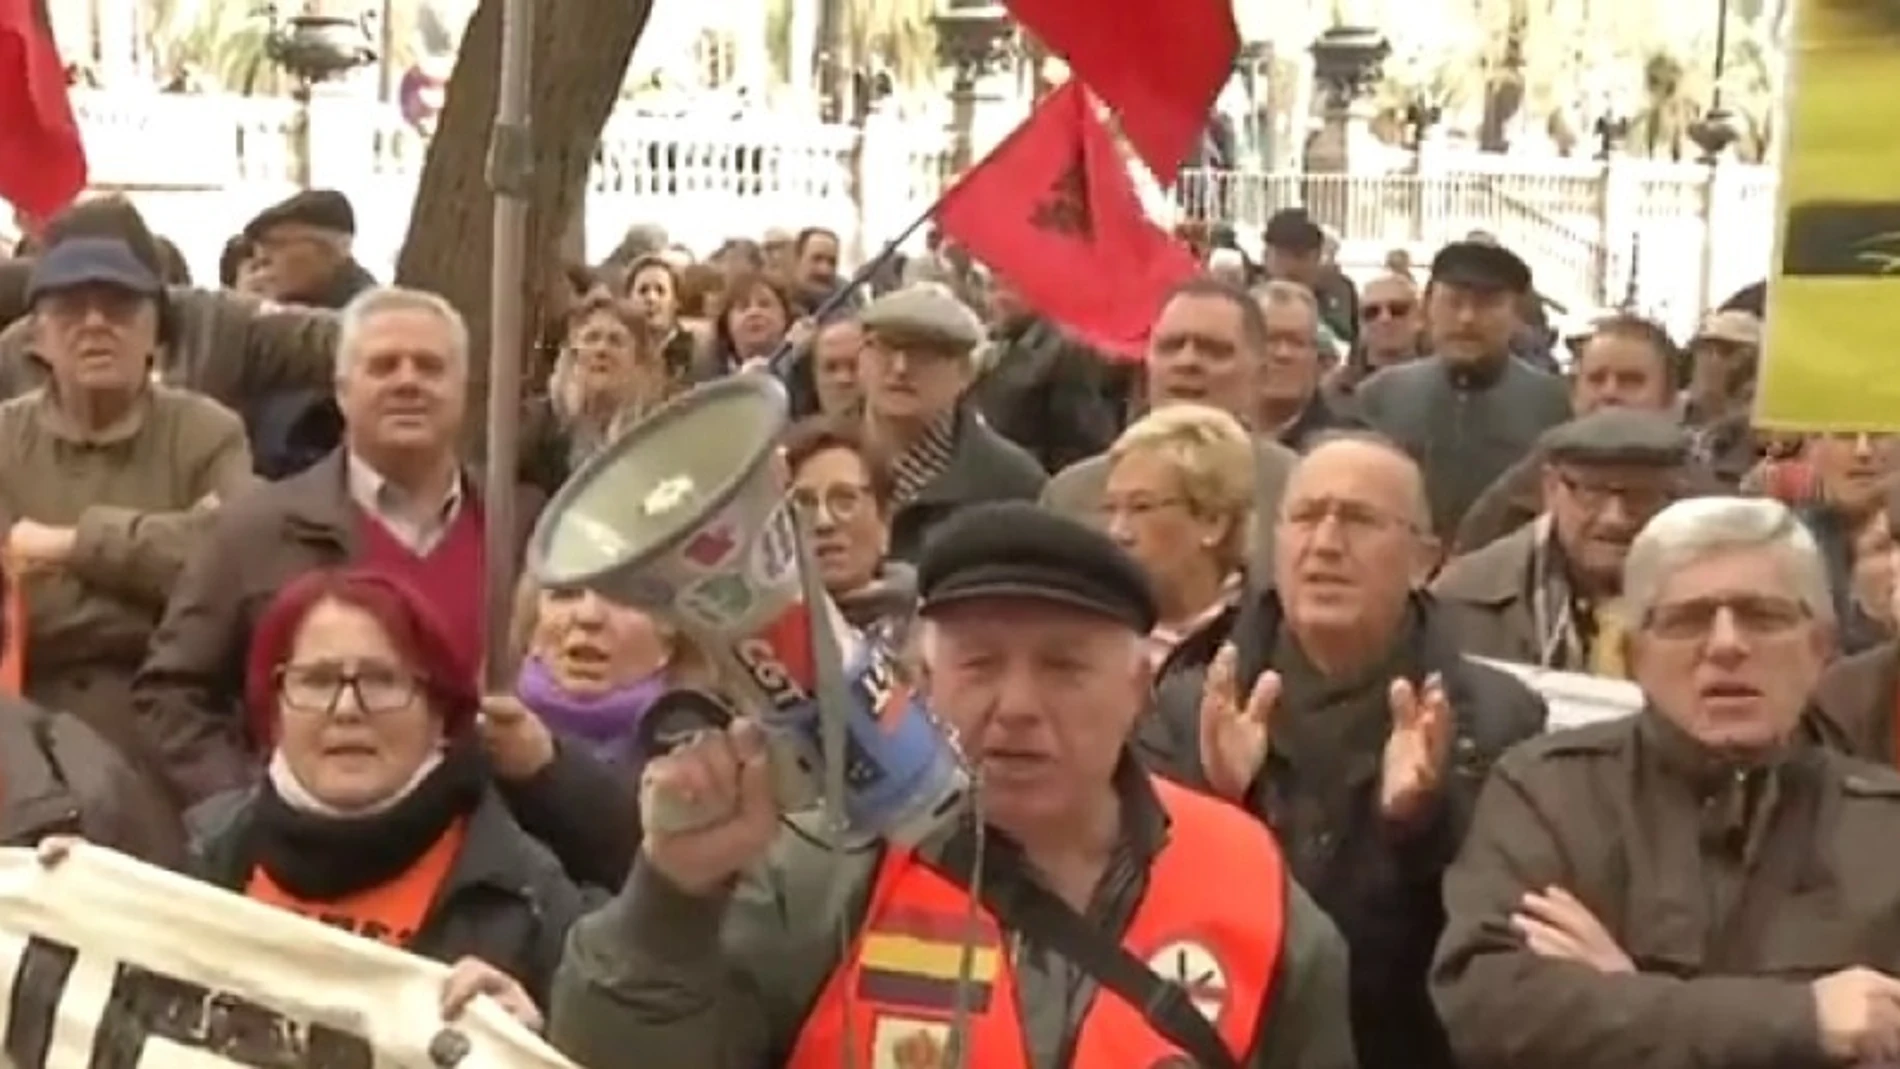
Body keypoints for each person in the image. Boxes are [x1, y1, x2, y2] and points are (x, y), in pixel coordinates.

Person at [548, 502, 1357, 1069]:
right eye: (979, 664)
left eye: (1064, 667)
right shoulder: (825, 866)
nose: (1015, 707)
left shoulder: (1249, 878)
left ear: (1139, 688)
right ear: (924, 681)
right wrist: (669, 901)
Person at [1433, 496, 1900, 1068]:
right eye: (1688, 619)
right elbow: (1490, 1008)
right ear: (1634, 656)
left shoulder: (1885, 827)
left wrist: (1623, 994)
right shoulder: (1550, 795)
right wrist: (1802, 1019)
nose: (1727, 644)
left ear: (1821, 648)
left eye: (1763, 615)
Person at [1145, 434, 1545, 1069]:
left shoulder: (1496, 719)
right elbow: (1149, 911)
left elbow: (1494, 953)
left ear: (1424, 560)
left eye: (1360, 521)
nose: (1326, 544)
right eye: (1306, 517)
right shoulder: (1186, 704)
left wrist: (1418, 825)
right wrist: (1225, 805)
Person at [188, 568, 587, 1007]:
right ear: (274, 709)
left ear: (440, 714)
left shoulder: (526, 898)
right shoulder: (201, 858)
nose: (346, 709)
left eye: (382, 681)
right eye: (317, 681)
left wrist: (530, 1046)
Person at [1435, 408, 1690, 676]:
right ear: (1551, 487)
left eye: (1641, 495)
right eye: (1591, 491)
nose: (1615, 518)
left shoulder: (1713, 590)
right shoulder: (1467, 594)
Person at [1356, 241, 1572, 542]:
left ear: (1515, 316)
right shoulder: (1378, 397)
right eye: (1454, 302)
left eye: (1486, 305)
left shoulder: (1553, 405)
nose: (1467, 318)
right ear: (1427, 309)